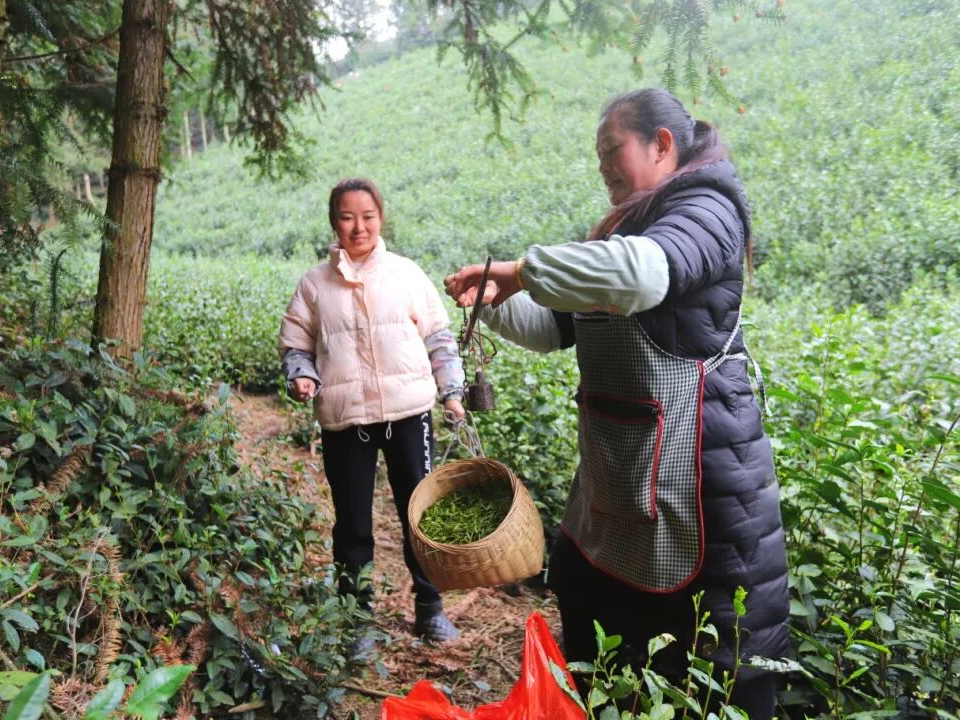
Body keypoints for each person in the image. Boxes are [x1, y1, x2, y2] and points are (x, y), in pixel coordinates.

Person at [444, 89, 790, 718]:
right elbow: (556, 328)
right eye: (598, 153)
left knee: (700, 669)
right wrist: (496, 298)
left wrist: (524, 269)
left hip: (701, 494)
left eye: (612, 149)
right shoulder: (628, 227)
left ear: (662, 144)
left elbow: (642, 276)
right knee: (602, 634)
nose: (603, 164)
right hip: (621, 488)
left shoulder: (707, 209)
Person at [279, 177, 465, 646]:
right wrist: (302, 375)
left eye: (367, 216)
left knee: (419, 514)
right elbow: (296, 343)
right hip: (346, 421)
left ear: (380, 218)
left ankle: (429, 607)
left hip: (409, 413)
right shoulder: (314, 285)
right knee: (353, 523)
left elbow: (438, 337)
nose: (358, 227)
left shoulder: (406, 274)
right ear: (333, 222)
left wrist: (452, 392)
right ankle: (356, 619)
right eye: (347, 217)